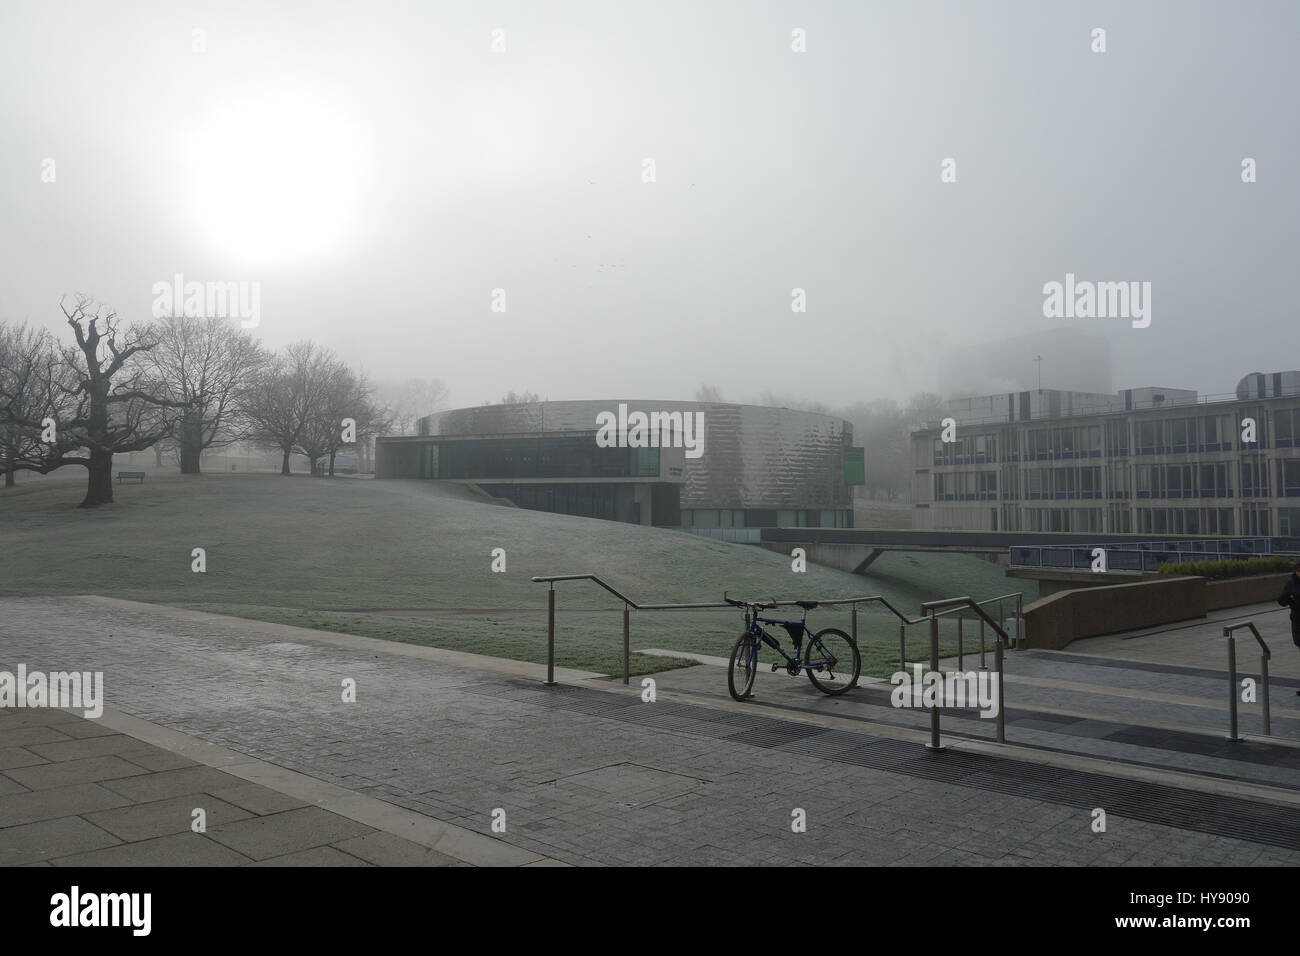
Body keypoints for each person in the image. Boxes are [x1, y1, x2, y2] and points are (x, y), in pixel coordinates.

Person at [1277, 562, 1300, 695]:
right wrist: (1290, 597)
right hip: (1297, 622)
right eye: (1298, 570)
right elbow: (1281, 601)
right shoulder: (1291, 583)